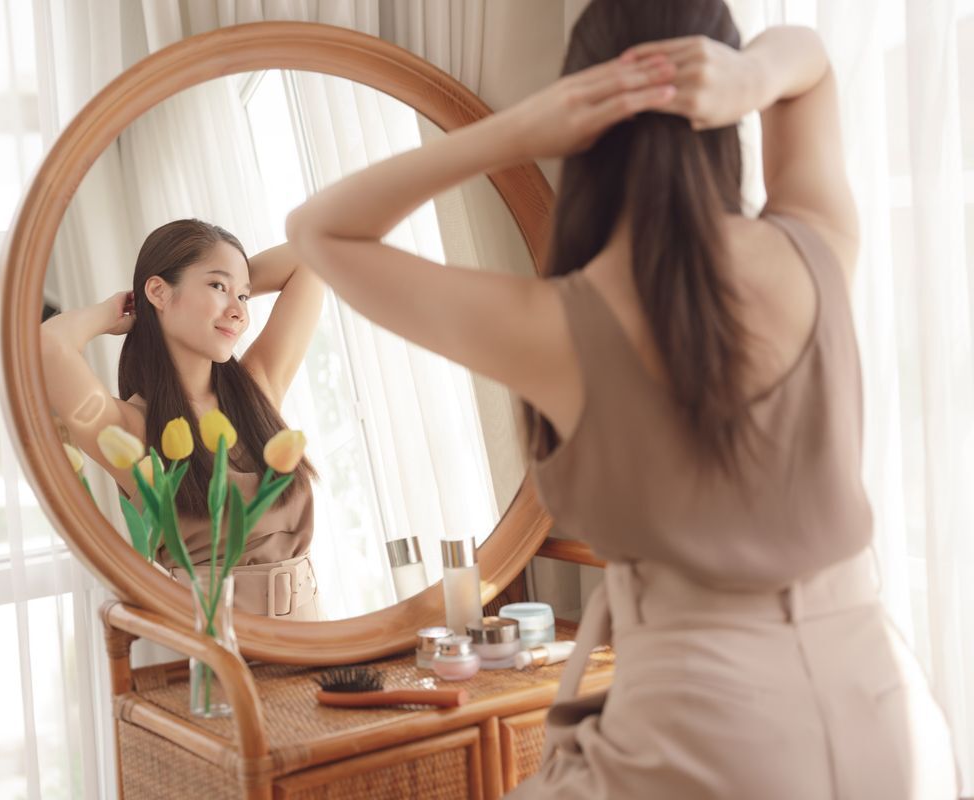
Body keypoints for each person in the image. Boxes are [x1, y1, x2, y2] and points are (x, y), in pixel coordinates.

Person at [286, 1, 959, 796]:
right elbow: (807, 62)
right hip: (886, 718)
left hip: (702, 736)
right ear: (723, 110)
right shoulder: (815, 247)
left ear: (581, 126)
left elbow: (318, 232)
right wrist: (753, 77)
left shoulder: (561, 326)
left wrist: (516, 131)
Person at [41, 219, 326, 621]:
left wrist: (230, 282)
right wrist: (116, 311)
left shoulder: (256, 393)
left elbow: (313, 260)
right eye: (218, 287)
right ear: (157, 290)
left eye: (243, 296)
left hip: (314, 635)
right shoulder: (128, 430)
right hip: (223, 650)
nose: (239, 312)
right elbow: (47, 346)